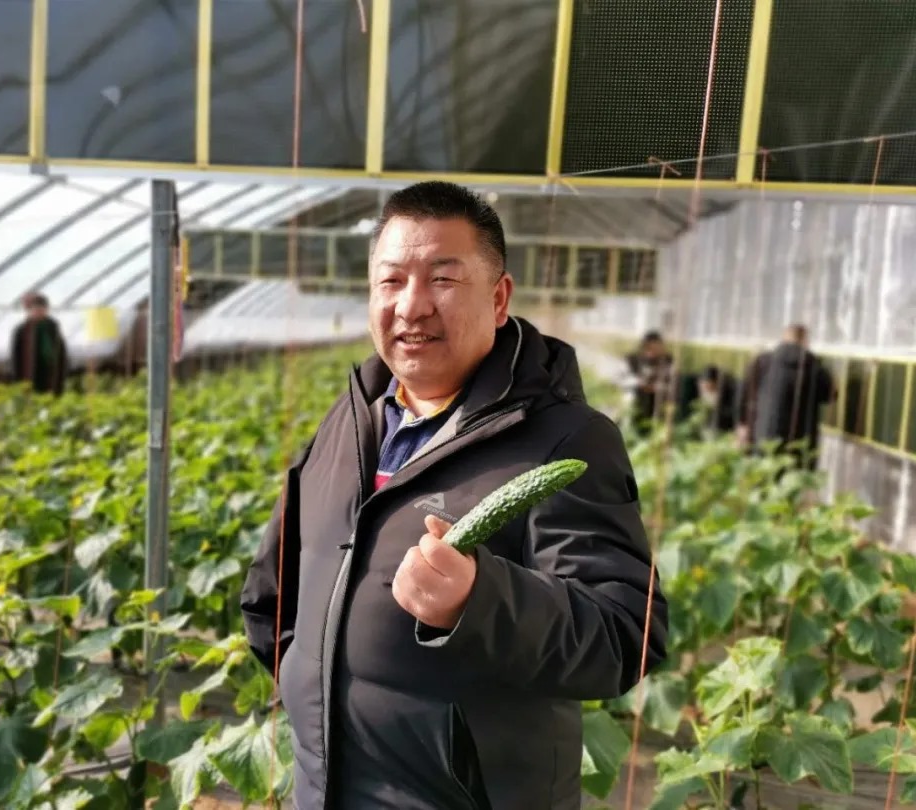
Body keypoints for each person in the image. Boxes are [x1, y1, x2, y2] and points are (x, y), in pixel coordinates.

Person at [240, 181, 668, 809]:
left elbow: (625, 634)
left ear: (499, 299)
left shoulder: (566, 440)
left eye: (442, 279)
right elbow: (276, 586)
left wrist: (481, 599)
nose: (412, 306)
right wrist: (309, 682)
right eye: (391, 281)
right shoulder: (351, 418)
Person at [736, 324, 835, 470]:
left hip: (763, 436)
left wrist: (742, 424)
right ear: (805, 341)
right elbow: (830, 396)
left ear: (783, 338)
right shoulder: (814, 367)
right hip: (799, 441)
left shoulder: (761, 362)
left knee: (765, 476)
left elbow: (743, 394)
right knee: (793, 478)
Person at [10, 292, 68, 395]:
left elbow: (62, 353)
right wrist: (19, 383)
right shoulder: (22, 330)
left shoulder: (53, 328)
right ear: (31, 310)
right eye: (37, 309)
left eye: (43, 309)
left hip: (51, 374)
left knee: (51, 399)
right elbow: (16, 358)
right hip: (31, 374)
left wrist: (61, 377)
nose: (40, 312)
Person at [624, 330, 673, 433]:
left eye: (656, 348)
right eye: (649, 348)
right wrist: (640, 383)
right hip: (636, 402)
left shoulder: (668, 361)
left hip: (658, 405)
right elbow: (623, 379)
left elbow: (672, 384)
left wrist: (656, 387)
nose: (652, 351)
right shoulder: (633, 359)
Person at [697, 364, 739, 435]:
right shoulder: (703, 391)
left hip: (725, 427)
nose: (705, 388)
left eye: (708, 386)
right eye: (702, 385)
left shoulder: (729, 391)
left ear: (716, 383)